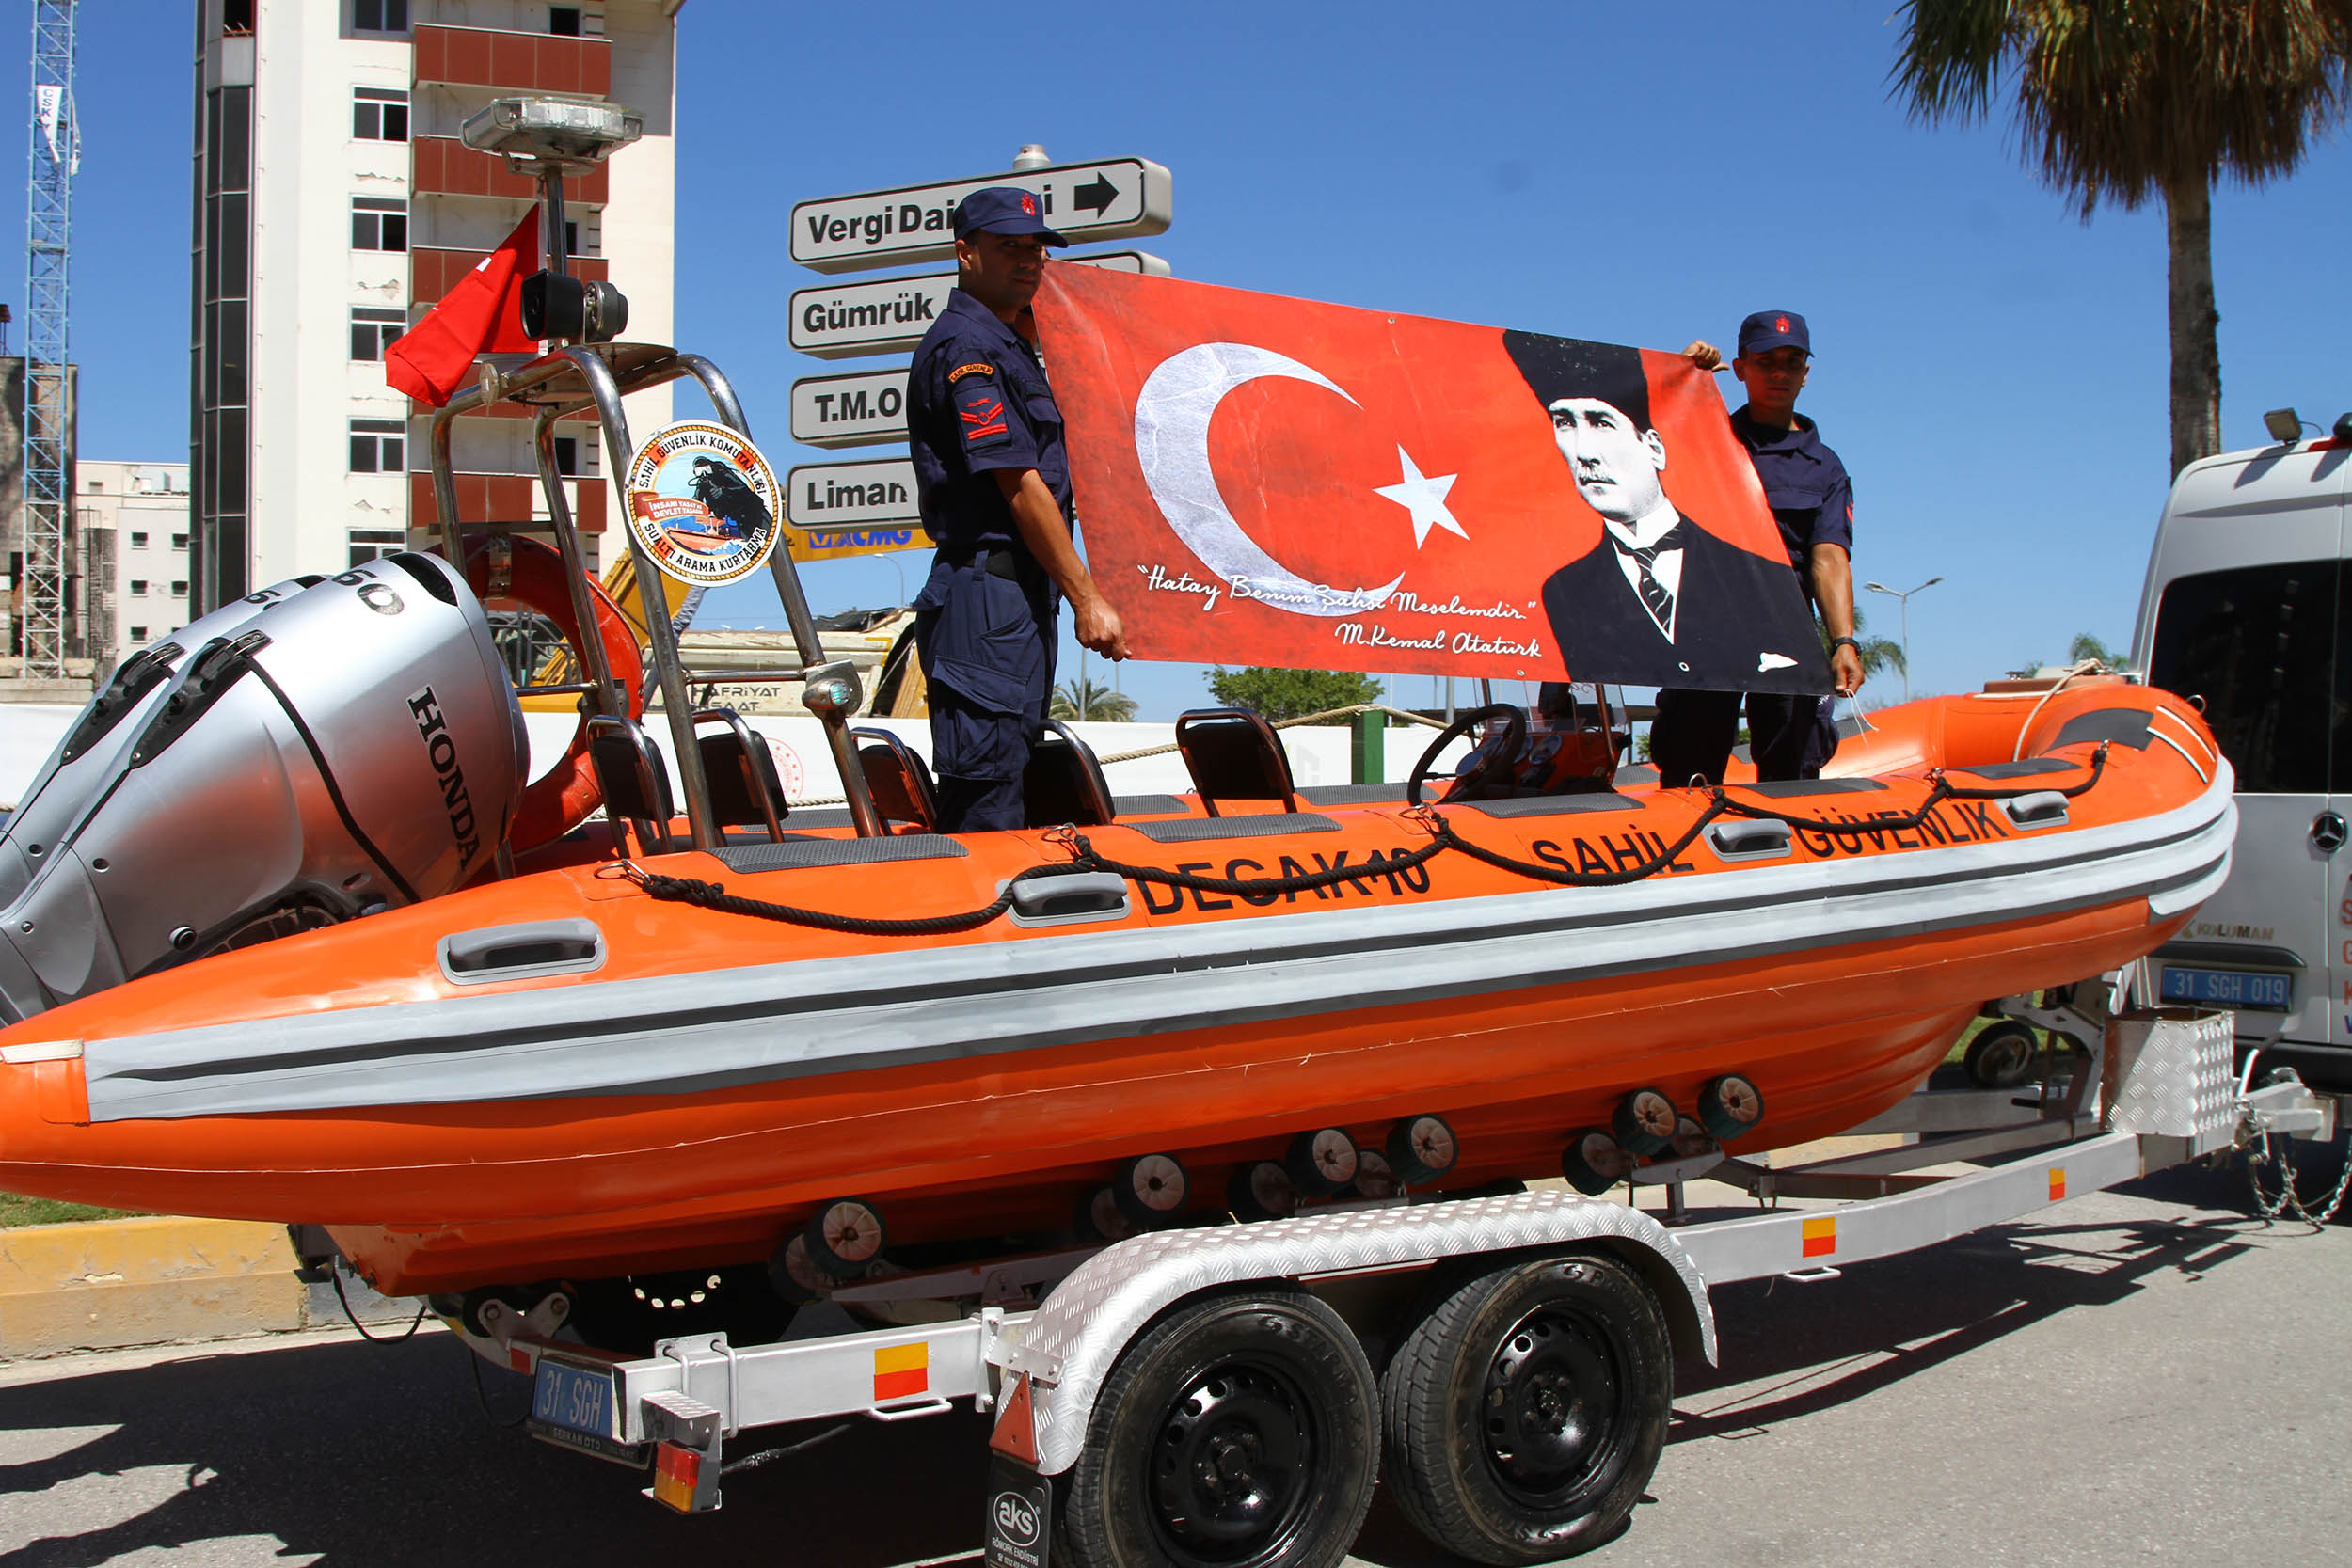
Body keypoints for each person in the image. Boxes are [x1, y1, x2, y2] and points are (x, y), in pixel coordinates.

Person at [905, 187, 1127, 832]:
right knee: (988, 804)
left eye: (1037, 249)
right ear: (965, 252)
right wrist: (1087, 597)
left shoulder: (1007, 345)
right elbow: (1020, 484)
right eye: (1009, 247)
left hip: (1018, 599)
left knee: (1014, 782)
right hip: (986, 596)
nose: (1029, 261)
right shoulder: (966, 349)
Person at [1504, 332, 1830, 703]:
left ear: (1655, 446)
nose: (1584, 452)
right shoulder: (1565, 590)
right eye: (1564, 423)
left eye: (1601, 422)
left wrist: (1682, 378)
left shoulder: (1757, 576)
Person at [1666, 310, 1862, 784]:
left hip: (1788, 633)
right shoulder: (1706, 439)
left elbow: (1829, 558)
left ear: (1805, 374)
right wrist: (1680, 378)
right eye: (1765, 361)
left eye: (1792, 363)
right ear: (1740, 369)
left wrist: (1844, 642)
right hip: (1705, 633)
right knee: (1689, 775)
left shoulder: (1824, 466)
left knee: (1792, 778)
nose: (1779, 373)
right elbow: (1637, 443)